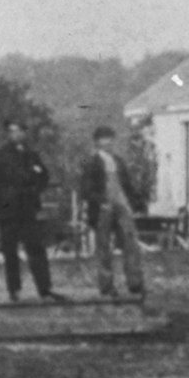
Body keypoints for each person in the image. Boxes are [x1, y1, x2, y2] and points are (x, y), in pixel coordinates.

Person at [0, 119, 61, 303]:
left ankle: (45, 288)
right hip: (8, 211)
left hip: (28, 209)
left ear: (24, 133)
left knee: (36, 248)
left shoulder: (31, 155)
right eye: (11, 131)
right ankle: (14, 290)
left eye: (18, 131)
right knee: (10, 252)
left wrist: (35, 192)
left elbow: (43, 176)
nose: (15, 135)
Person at [81, 125, 147, 299]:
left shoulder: (118, 161)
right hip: (103, 209)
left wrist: (135, 201)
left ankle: (134, 282)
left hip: (121, 206)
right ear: (97, 142)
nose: (107, 142)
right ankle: (106, 285)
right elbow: (86, 190)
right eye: (103, 139)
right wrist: (101, 201)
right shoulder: (92, 162)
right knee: (103, 247)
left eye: (110, 138)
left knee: (130, 242)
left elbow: (127, 186)